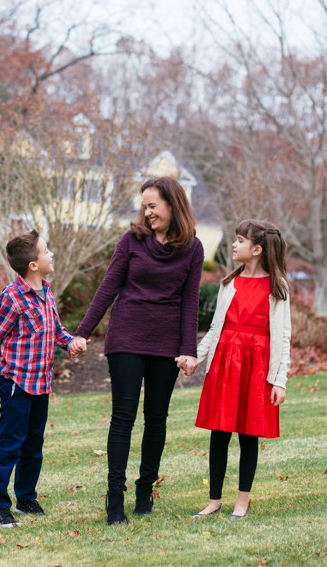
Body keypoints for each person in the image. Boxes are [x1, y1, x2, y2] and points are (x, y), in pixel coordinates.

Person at [74, 177, 203, 525]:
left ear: (172, 205)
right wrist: (83, 333)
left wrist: (188, 350)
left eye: (152, 206)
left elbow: (190, 302)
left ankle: (145, 488)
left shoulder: (192, 247)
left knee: (156, 419)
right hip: (127, 337)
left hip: (166, 344)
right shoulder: (132, 240)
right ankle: (115, 496)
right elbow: (108, 287)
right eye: (144, 206)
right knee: (124, 417)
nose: (146, 213)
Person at [0, 231, 88, 528]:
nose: (51, 255)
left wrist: (70, 342)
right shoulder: (12, 297)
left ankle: (25, 497)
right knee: (10, 445)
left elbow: (57, 330)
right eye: (46, 251)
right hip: (15, 384)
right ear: (33, 265)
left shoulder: (47, 292)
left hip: (41, 383)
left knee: (33, 445)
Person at [192, 219, 291, 520]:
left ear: (257, 249)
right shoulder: (229, 282)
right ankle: (214, 500)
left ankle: (242, 501)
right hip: (225, 362)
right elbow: (215, 329)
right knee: (219, 432)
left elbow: (283, 335)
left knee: (249, 434)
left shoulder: (277, 287)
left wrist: (279, 380)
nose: (233, 245)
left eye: (239, 240)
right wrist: (197, 357)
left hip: (257, 365)